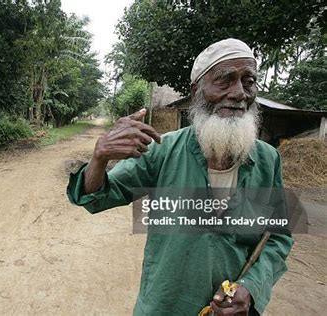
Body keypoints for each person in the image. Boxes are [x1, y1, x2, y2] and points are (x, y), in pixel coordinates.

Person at [67, 38, 293, 315]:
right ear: (197, 90)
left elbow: (277, 237)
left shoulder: (268, 160)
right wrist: (100, 157)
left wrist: (251, 288)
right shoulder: (163, 150)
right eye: (225, 80)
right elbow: (95, 196)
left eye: (249, 81)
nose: (239, 93)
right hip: (164, 306)